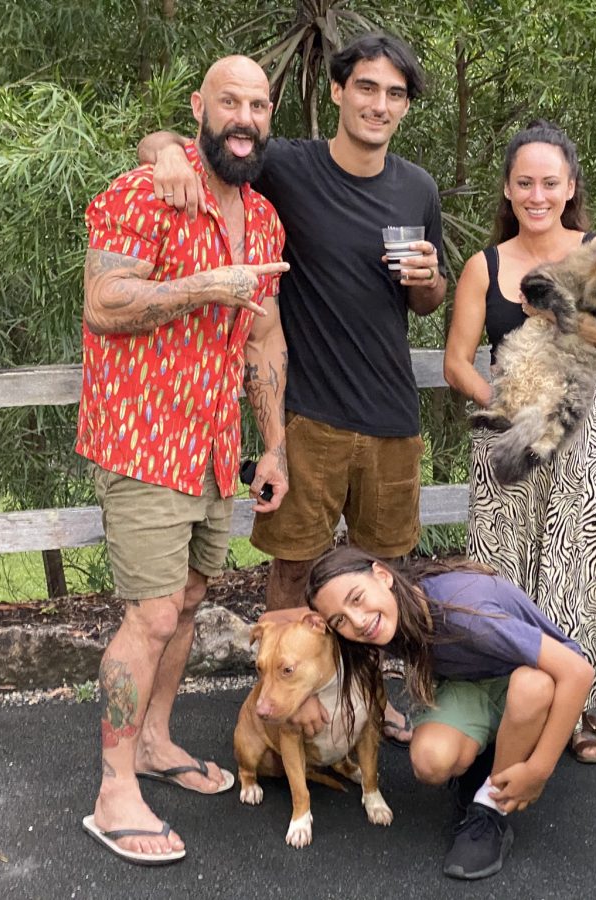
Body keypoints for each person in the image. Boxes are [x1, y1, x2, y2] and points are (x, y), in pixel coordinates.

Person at [139, 32, 448, 746]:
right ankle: (279, 703)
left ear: (404, 108)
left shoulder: (417, 187)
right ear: (338, 92)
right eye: (366, 88)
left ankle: (366, 698)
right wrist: (162, 156)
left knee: (385, 573)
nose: (379, 104)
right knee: (293, 569)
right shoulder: (291, 166)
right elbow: (196, 141)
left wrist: (429, 278)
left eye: (394, 94)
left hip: (392, 414)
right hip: (310, 414)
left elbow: (429, 301)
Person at [76, 56, 291, 866]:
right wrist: (204, 284)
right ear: (200, 108)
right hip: (141, 437)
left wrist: (272, 445)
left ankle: (156, 742)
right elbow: (104, 303)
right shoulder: (146, 192)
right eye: (229, 101)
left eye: (259, 105)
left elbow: (263, 336)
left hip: (211, 447)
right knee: (153, 614)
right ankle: (112, 790)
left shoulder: (264, 217)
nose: (244, 117)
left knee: (193, 601)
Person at [443, 119, 596, 764]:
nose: (538, 194)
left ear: (570, 186)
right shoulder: (482, 266)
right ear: (510, 189)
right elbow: (457, 362)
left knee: (575, 563)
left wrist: (560, 315)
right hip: (505, 430)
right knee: (499, 562)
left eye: (550, 182)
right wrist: (506, 405)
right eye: (525, 182)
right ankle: (500, 698)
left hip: (577, 426)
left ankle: (579, 710)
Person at [305, 546, 594, 881]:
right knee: (431, 760)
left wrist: (538, 770)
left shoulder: (464, 612)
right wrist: (306, 698)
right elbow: (292, 621)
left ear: (382, 575)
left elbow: (578, 672)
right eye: (339, 620)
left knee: (532, 687)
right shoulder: (387, 609)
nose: (357, 621)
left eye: (356, 599)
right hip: (472, 680)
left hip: (539, 682)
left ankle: (490, 808)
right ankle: (487, 761)